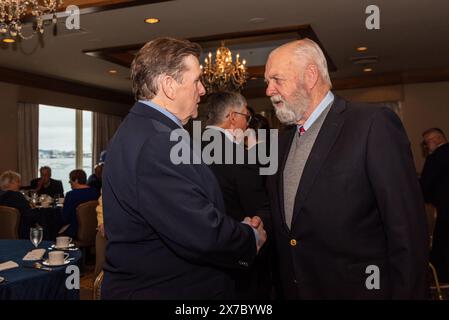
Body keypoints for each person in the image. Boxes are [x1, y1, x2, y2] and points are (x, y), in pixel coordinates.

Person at [101, 37, 266, 300]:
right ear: (169, 85)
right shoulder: (157, 141)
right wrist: (248, 236)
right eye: (196, 81)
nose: (202, 90)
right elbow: (201, 232)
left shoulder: (143, 128)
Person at [264, 38, 428, 299]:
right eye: (267, 82)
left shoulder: (371, 125)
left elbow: (407, 231)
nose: (269, 91)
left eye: (276, 79)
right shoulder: (282, 142)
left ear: (310, 75)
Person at [203, 92, 272, 299]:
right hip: (237, 260)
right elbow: (258, 210)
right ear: (232, 117)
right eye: (246, 117)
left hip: (199, 259)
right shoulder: (240, 156)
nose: (247, 124)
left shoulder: (186, 147)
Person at [420, 128, 449, 282]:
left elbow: (425, 185)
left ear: (437, 139)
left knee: (440, 250)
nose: (425, 147)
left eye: (426, 143)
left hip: (446, 211)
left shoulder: (436, 157)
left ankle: (441, 284)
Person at [61, 169, 100, 239]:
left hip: (76, 231)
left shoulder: (71, 195)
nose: (69, 182)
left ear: (76, 180)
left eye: (70, 180)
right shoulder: (95, 192)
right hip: (94, 230)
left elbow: (64, 218)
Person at [0, 170, 37, 238]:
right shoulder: (16, 196)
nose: (19, 184)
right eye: (18, 182)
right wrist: (34, 209)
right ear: (10, 183)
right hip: (21, 234)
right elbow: (30, 217)